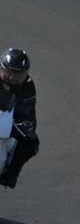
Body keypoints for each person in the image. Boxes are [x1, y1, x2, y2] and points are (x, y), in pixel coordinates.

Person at [0, 48, 39, 189]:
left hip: (10, 118)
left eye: (17, 74)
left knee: (31, 144)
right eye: (8, 72)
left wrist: (26, 125)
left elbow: (28, 110)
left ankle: (10, 174)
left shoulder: (27, 85)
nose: (11, 77)